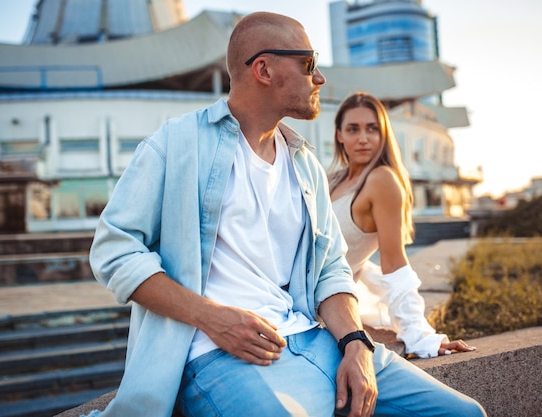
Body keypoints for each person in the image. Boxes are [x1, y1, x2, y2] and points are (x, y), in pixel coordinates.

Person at [83, 12, 486, 417]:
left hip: (319, 341)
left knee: (466, 413)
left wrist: (355, 344)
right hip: (218, 356)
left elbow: (331, 268)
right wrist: (211, 318)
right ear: (264, 69)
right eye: (309, 64)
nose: (320, 78)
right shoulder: (176, 142)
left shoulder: (304, 163)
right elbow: (115, 251)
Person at [328, 92, 476, 359]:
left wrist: (419, 335)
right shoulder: (334, 179)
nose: (363, 138)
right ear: (339, 135)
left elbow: (394, 262)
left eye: (372, 129)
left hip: (323, 304)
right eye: (353, 129)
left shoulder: (381, 180)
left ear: (383, 134)